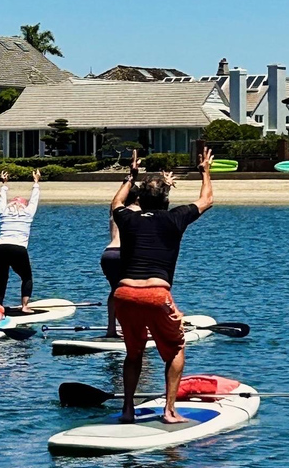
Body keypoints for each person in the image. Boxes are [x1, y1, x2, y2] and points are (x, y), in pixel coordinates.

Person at [111, 147, 213, 424]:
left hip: (123, 294)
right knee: (176, 349)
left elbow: (115, 204)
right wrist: (205, 172)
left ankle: (128, 410)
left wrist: (130, 177)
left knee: (134, 354)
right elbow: (207, 200)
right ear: (166, 200)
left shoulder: (129, 218)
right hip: (156, 294)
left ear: (141, 200)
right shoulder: (174, 218)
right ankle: (169, 411)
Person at [0, 169, 41, 313]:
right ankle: (25, 306)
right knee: (26, 277)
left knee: (2, 276)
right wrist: (36, 182)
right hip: (17, 248)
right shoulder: (28, 212)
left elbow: (1, 199)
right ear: (23, 205)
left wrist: (4, 184)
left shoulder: (4, 212)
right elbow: (35, 198)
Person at [100, 183, 140, 337]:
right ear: (137, 198)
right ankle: (135, 328)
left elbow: (114, 201)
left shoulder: (114, 212)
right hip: (124, 254)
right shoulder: (137, 211)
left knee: (115, 292)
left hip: (108, 253)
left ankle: (111, 329)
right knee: (134, 292)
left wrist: (128, 180)